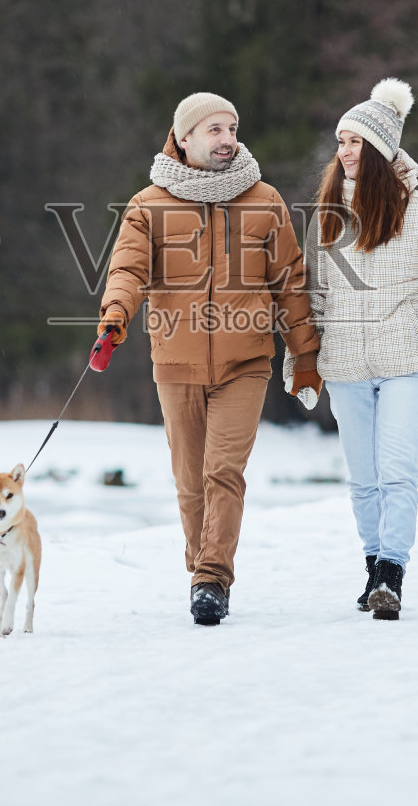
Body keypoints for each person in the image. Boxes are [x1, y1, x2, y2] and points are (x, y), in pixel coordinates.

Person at [98, 92, 322, 626]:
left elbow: (290, 280)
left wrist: (305, 353)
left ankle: (211, 579)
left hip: (246, 362)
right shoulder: (147, 205)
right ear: (185, 138)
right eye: (214, 130)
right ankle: (199, 566)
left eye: (233, 128)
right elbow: (127, 271)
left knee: (224, 471)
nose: (227, 139)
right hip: (176, 363)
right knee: (189, 480)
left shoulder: (263, 200)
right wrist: (115, 318)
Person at [285, 78, 418, 620]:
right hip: (346, 366)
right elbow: (312, 300)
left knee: (396, 471)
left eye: (353, 142)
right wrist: (301, 367)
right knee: (363, 480)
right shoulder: (327, 215)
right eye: (340, 142)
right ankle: (374, 565)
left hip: (405, 365)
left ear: (379, 148)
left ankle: (392, 572)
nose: (344, 152)